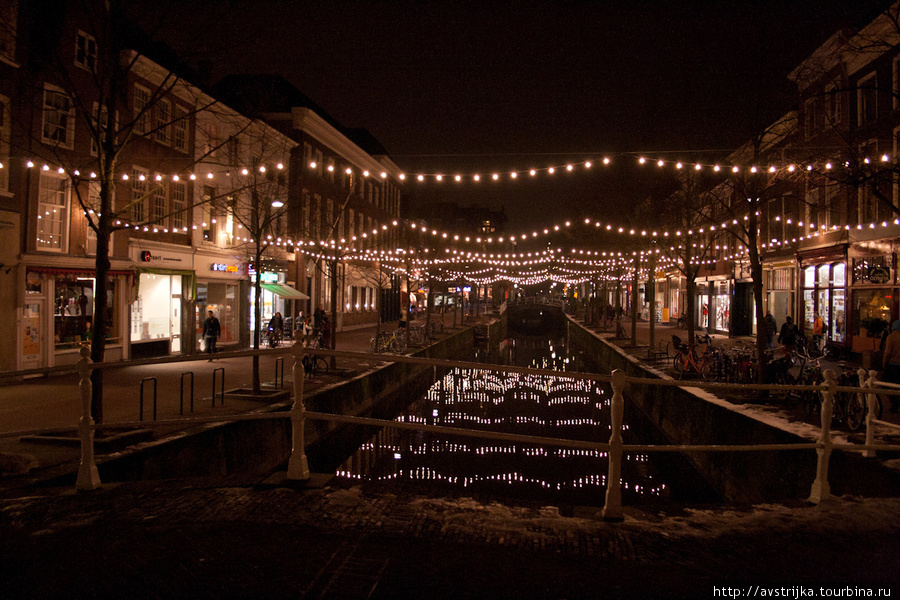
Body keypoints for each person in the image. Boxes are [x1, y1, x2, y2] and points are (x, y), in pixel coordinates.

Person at [881, 320, 900, 413]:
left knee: (884, 385)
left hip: (893, 365)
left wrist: (884, 363)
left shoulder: (891, 337)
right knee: (898, 386)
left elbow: (887, 352)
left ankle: (894, 402)